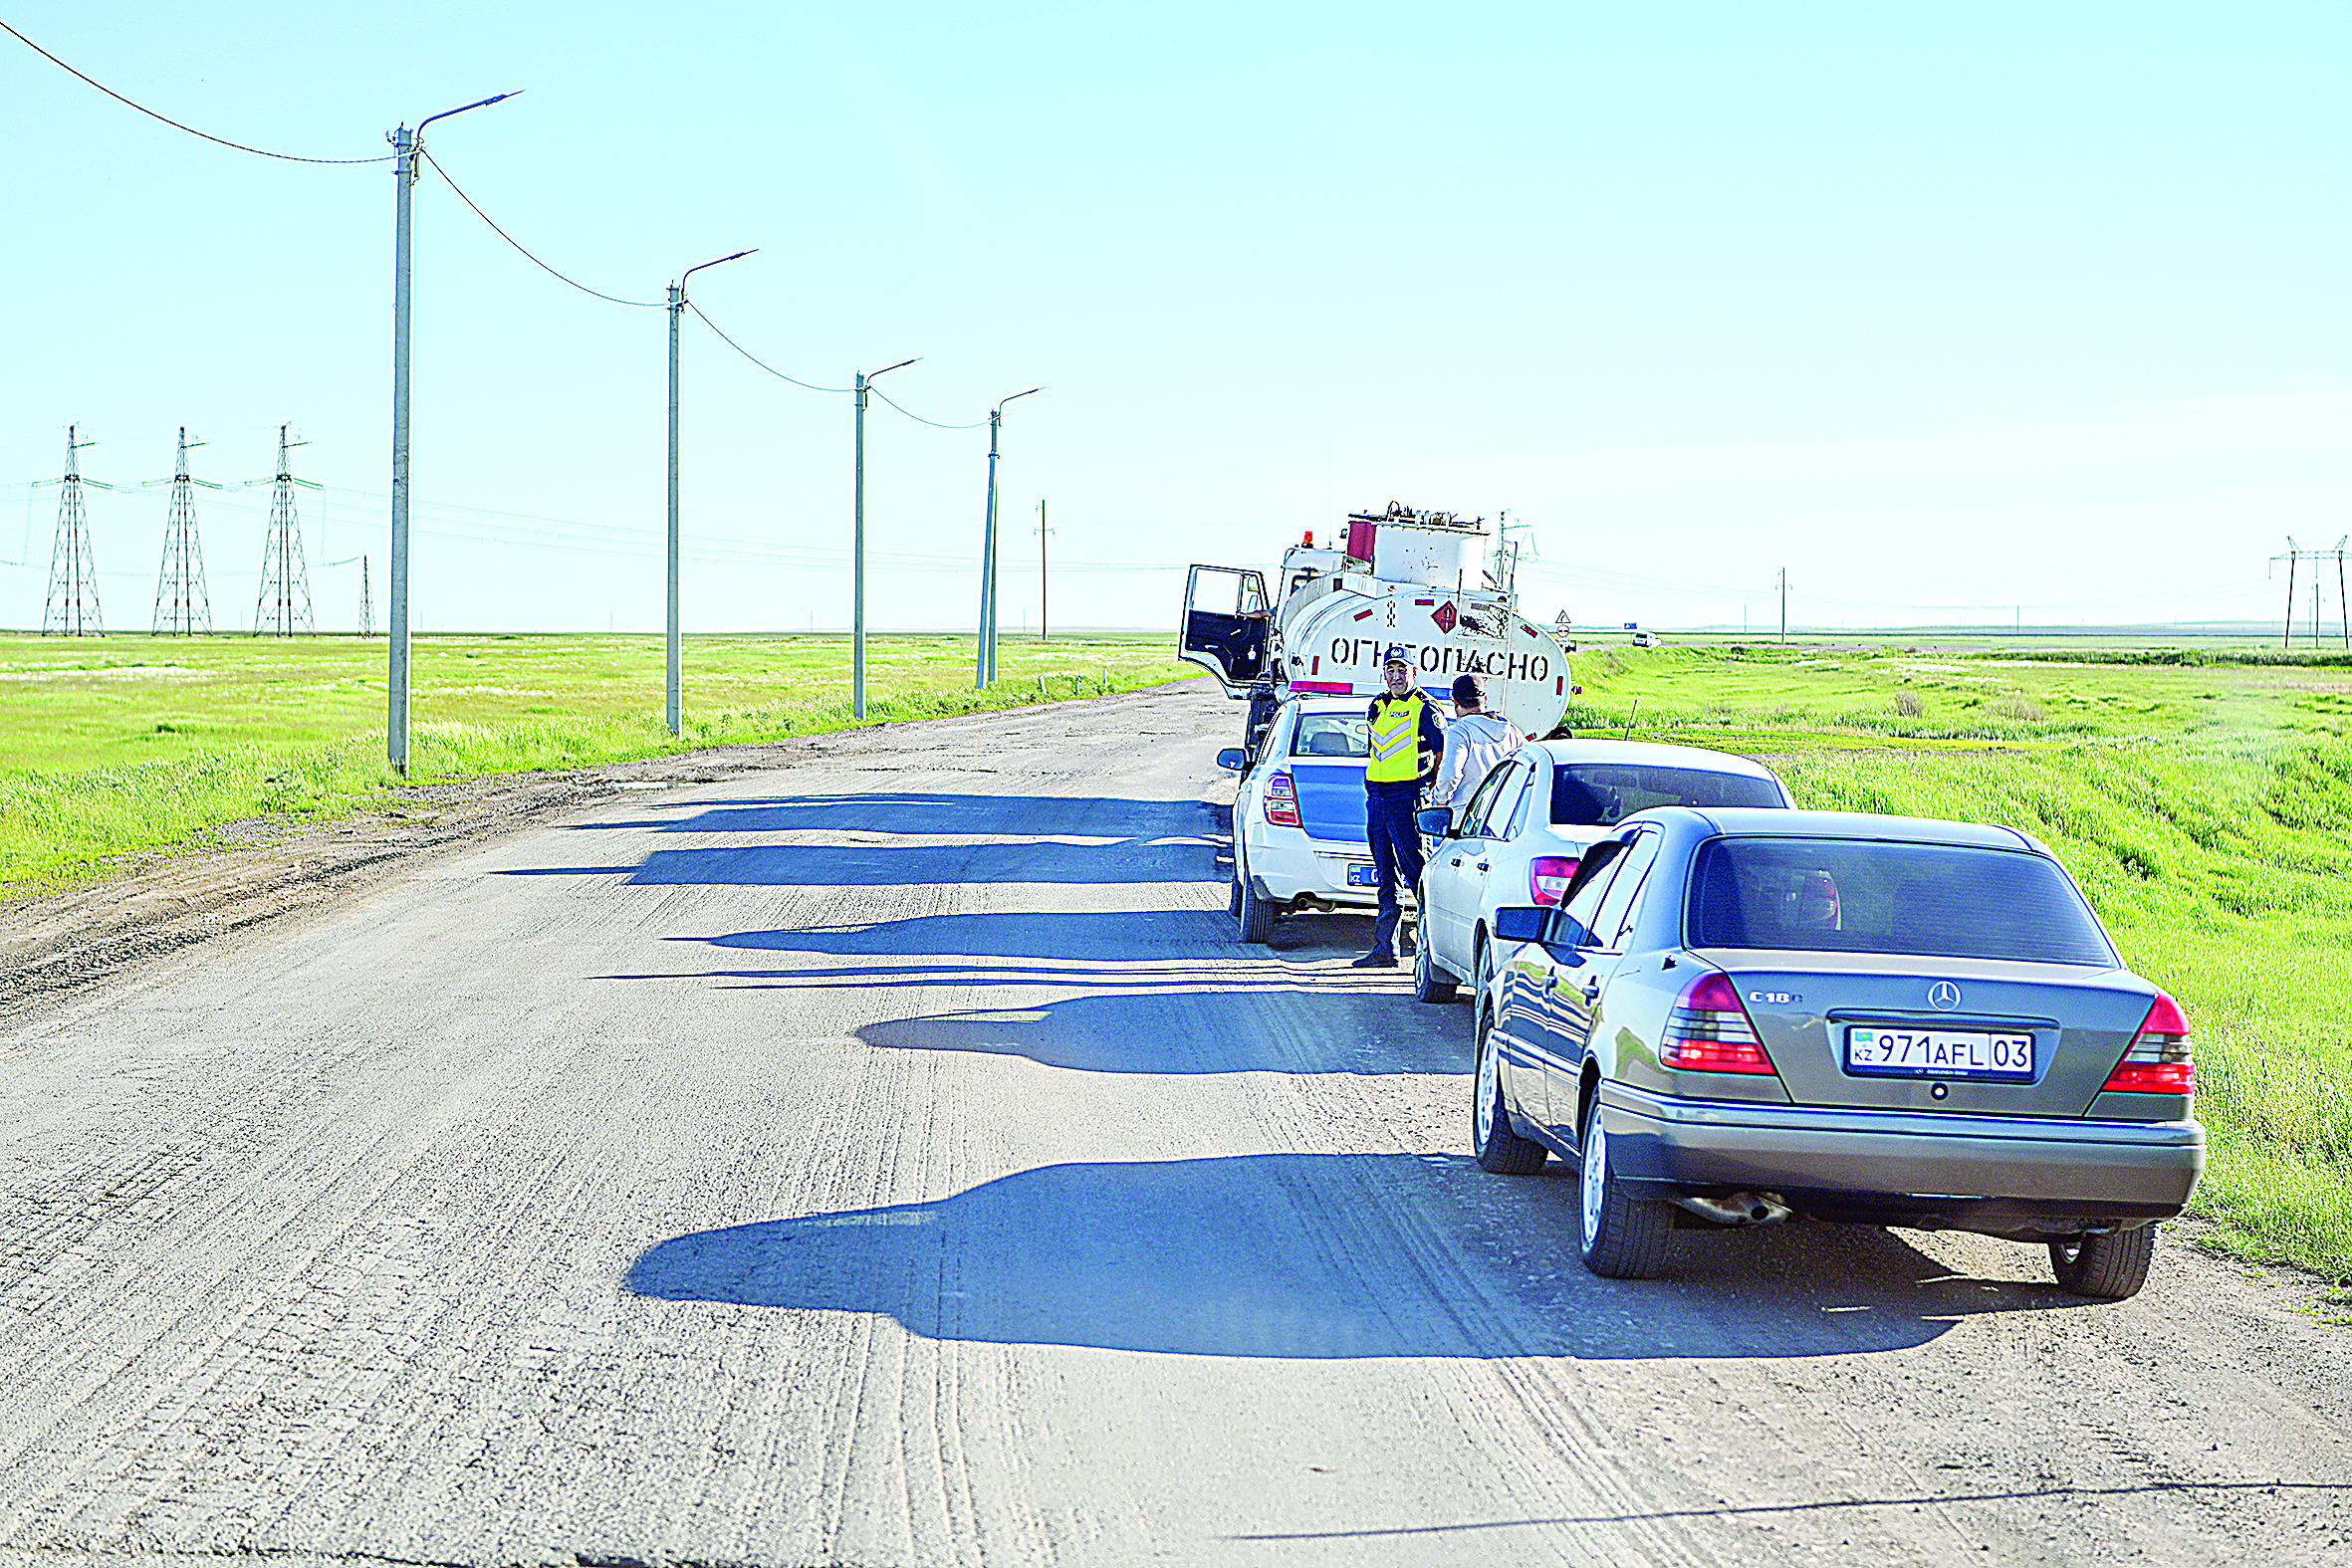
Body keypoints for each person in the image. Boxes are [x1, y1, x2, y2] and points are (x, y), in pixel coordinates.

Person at [1355, 647, 1445, 969]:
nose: (1395, 676)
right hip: (1377, 798)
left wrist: (1427, 784)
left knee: (1416, 872)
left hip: (1407, 797)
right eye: (1390, 670)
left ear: (1414, 673)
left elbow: (1440, 751)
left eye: (1401, 670)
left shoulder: (1425, 708)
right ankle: (1384, 948)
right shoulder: (1377, 705)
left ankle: (1433, 948)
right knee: (1385, 875)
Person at [1433, 672, 1525, 817]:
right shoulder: (1511, 730)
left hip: (1466, 820)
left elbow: (1449, 775)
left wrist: (1440, 800)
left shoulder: (1459, 733)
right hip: (1503, 817)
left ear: (1455, 701)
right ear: (1485, 699)